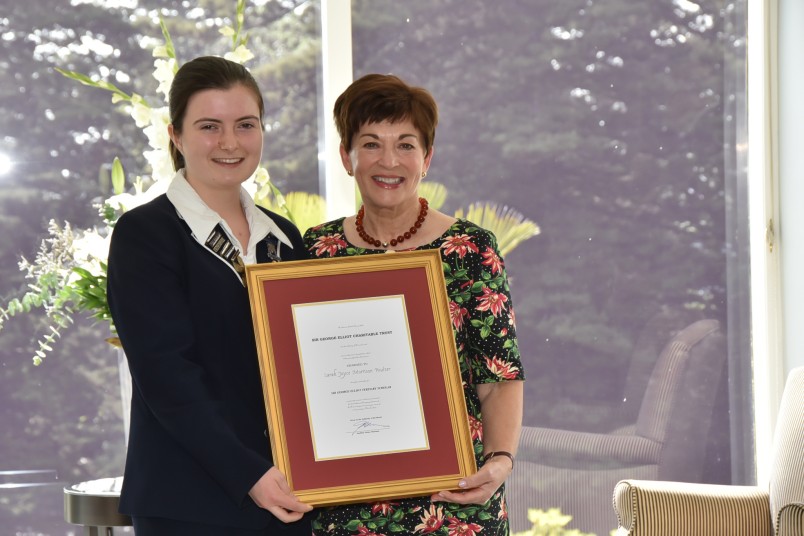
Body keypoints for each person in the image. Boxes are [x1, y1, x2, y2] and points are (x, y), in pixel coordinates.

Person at [303, 73, 525, 535]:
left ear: (427, 158)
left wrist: (500, 461)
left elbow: (499, 377)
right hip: (344, 504)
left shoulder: (470, 248)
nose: (389, 161)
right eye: (370, 143)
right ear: (346, 157)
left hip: (453, 502)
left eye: (405, 144)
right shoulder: (314, 251)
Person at [106, 56, 313, 535]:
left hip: (290, 493)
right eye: (209, 126)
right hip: (189, 504)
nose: (229, 142)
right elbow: (167, 377)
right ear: (175, 135)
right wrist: (250, 473)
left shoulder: (282, 237)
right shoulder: (145, 235)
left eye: (245, 125)